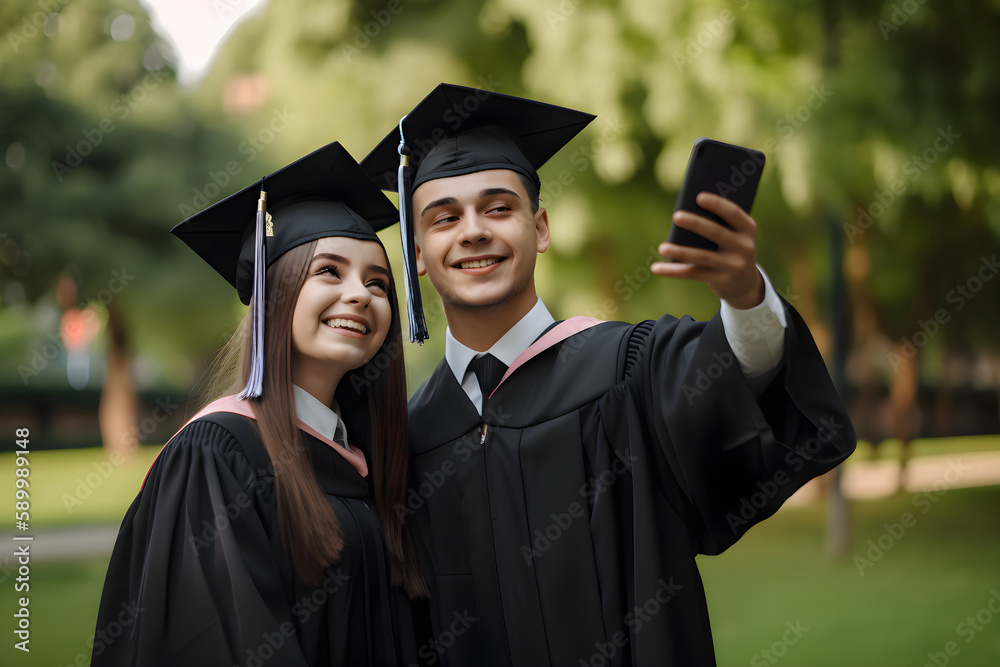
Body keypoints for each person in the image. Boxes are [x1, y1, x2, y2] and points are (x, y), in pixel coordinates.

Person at [361, 84, 856, 666]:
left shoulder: (628, 370)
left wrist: (744, 296)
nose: (473, 230)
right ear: (416, 253)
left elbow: (735, 371)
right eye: (444, 218)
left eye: (498, 208)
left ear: (540, 229)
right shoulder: (407, 438)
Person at [92, 142, 427, 667]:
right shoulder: (219, 454)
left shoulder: (370, 459)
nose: (361, 294)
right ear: (274, 294)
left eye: (378, 282)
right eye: (330, 272)